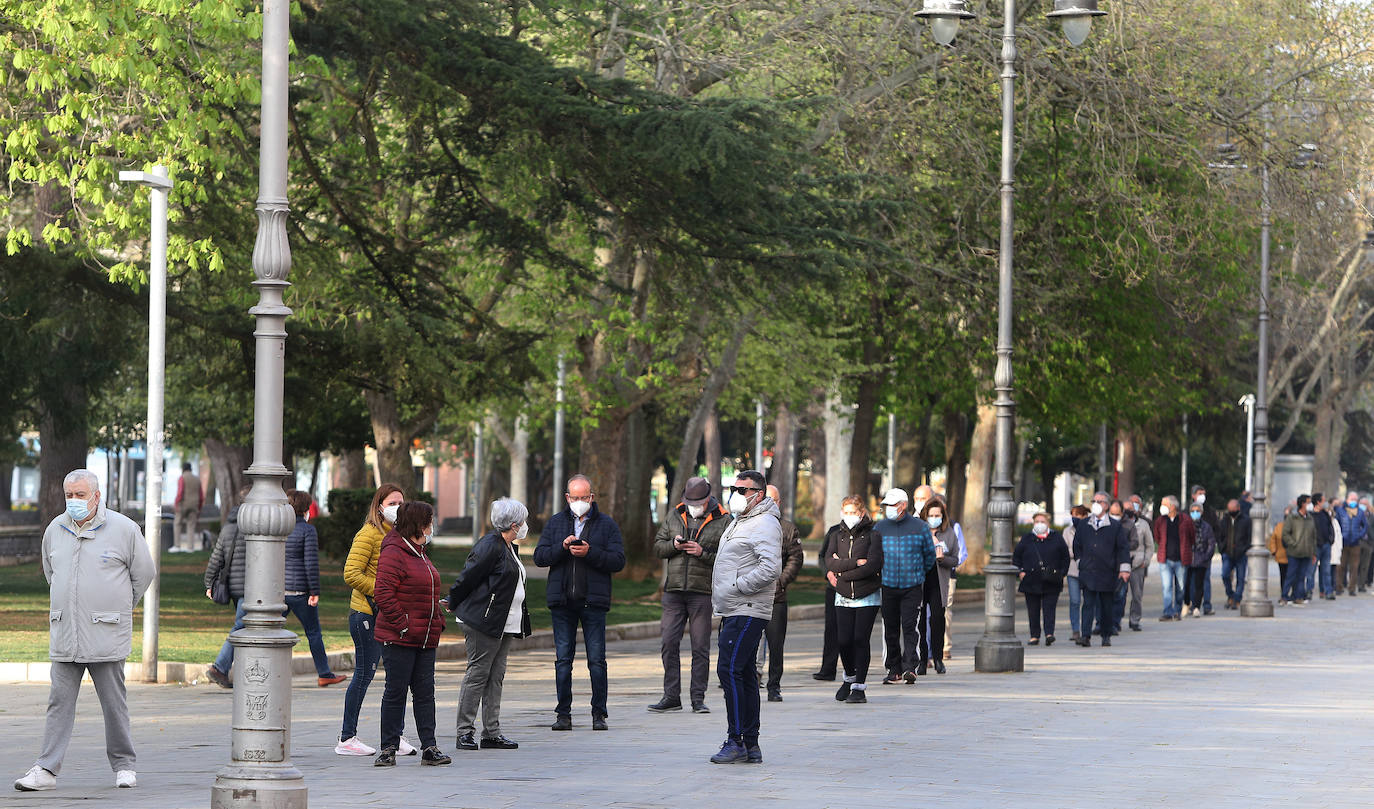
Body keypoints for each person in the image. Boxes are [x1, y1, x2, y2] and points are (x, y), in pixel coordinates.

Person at [14, 470, 155, 792]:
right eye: (69, 495)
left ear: (96, 495)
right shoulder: (55, 528)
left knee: (113, 702)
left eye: (80, 495)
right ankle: (46, 770)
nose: (74, 501)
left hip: (106, 631)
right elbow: (52, 573)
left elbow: (144, 573)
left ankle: (124, 765)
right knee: (58, 703)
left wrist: (119, 605)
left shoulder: (123, 529)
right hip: (65, 632)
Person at [534, 474, 627, 732]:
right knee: (563, 660)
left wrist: (590, 553)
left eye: (584, 497)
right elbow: (540, 557)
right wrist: (561, 548)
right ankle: (563, 714)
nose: (579, 502)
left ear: (592, 497)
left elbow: (618, 560)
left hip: (593, 601)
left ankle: (599, 713)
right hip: (562, 602)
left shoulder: (606, 525)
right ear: (567, 497)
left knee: (596, 660)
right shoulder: (555, 523)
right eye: (574, 498)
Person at [337, 484, 416, 757]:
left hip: (389, 614)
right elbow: (351, 573)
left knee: (398, 677)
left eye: (401, 503)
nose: (397, 508)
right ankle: (347, 737)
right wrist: (383, 588)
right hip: (366, 614)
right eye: (392, 502)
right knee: (364, 674)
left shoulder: (399, 536)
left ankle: (396, 735)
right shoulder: (368, 534)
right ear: (379, 506)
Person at [708, 470, 780, 764]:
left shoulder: (764, 523)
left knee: (730, 671)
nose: (736, 493)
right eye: (734, 488)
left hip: (747, 608)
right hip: (734, 608)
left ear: (758, 494)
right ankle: (750, 743)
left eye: (742, 489)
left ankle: (736, 739)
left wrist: (738, 587)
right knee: (744, 672)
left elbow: (770, 568)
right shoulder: (741, 521)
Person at [448, 498, 532, 751]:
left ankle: (491, 732)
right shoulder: (490, 545)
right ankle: (464, 731)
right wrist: (453, 599)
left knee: (495, 676)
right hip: (483, 621)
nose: (526, 526)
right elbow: (468, 576)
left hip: (503, 622)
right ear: (514, 524)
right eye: (524, 522)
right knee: (478, 674)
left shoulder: (508, 546)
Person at [372, 501, 450, 767]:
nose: (432, 525)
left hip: (426, 636)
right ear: (418, 524)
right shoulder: (395, 551)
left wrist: (437, 618)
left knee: (425, 692)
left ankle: (430, 747)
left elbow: (425, 590)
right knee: (396, 692)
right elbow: (382, 593)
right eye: (429, 520)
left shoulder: (419, 551)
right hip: (401, 637)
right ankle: (388, 748)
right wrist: (403, 624)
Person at [649, 476, 728, 714]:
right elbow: (658, 547)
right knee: (669, 643)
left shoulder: (723, 520)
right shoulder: (675, 515)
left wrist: (702, 552)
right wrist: (674, 545)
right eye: (690, 501)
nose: (694, 506)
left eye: (698, 502)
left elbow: (727, 558)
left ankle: (698, 698)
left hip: (701, 593)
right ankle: (671, 696)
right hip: (673, 591)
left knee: (700, 647)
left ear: (708, 500)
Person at [283, 489, 346, 687]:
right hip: (300, 591)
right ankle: (324, 673)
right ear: (306, 508)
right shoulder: (308, 530)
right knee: (313, 633)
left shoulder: (280, 528)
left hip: (279, 591)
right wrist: (315, 591)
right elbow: (310, 563)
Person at [873, 488, 936, 684]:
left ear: (903, 505)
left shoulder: (920, 527)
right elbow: (874, 555)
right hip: (888, 585)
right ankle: (894, 669)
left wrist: (917, 573)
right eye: (886, 506)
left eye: (892, 505)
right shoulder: (879, 528)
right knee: (890, 628)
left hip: (912, 586)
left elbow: (929, 556)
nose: (888, 509)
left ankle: (910, 667)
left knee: (910, 626)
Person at [825, 494, 883, 704]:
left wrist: (843, 573)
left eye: (853, 512)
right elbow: (829, 562)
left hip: (867, 594)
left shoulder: (873, 535)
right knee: (843, 640)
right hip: (842, 595)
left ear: (861, 513)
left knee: (860, 639)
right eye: (846, 512)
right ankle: (848, 677)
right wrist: (853, 563)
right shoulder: (835, 535)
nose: (849, 516)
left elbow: (872, 565)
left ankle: (859, 686)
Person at [202, 485, 251, 689]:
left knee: (244, 626)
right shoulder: (255, 526)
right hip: (251, 588)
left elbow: (216, 558)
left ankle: (237, 670)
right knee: (240, 627)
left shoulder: (229, 527)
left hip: (233, 586)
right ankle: (219, 668)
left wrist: (209, 583)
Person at [758, 484, 804, 702]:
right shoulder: (750, 525)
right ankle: (750, 679)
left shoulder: (787, 528)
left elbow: (795, 559)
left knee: (776, 644)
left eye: (773, 500)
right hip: (752, 595)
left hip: (776, 596)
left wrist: (781, 582)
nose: (769, 504)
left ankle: (774, 685)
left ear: (779, 503)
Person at [1073, 491, 1130, 646]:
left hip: (1107, 572)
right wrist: (1080, 562)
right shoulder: (1084, 524)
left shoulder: (1115, 526)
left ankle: (1106, 635)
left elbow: (1123, 548)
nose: (1096, 504)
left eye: (1100, 501)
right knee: (1088, 604)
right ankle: (1085, 636)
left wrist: (1124, 569)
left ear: (1106, 505)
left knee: (1106, 606)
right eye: (1094, 501)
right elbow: (1076, 545)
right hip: (1088, 571)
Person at [1013, 513, 1069, 645]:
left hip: (1051, 580)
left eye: (1042, 521)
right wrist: (1020, 572)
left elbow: (1065, 557)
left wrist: (1062, 573)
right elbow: (1016, 557)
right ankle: (1034, 635)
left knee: (1049, 608)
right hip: (1031, 580)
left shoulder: (1056, 538)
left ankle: (1049, 633)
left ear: (1048, 523)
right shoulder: (1027, 538)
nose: (1039, 524)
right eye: (1037, 521)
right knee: (1033, 609)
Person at [918, 498, 957, 674]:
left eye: (937, 515)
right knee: (920, 622)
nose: (934, 518)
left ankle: (938, 659)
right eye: (931, 515)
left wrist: (942, 559)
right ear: (925, 516)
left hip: (939, 582)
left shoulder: (948, 533)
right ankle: (922, 659)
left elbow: (955, 558)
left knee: (937, 620)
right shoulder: (919, 531)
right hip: (920, 580)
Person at [1153, 496, 1194, 621]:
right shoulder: (1160, 520)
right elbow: (1157, 537)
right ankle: (1167, 612)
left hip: (1181, 559)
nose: (1162, 507)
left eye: (1165, 504)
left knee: (1180, 587)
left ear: (1172, 506)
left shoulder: (1185, 520)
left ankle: (1177, 611)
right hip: (1165, 559)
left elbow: (1192, 536)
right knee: (1167, 587)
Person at [1119, 496, 1154, 631]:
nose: (1129, 511)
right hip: (1121, 563)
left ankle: (1135, 620)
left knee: (1137, 595)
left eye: (1131, 508)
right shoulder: (1119, 524)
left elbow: (1150, 545)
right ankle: (1116, 621)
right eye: (1126, 508)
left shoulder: (1143, 525)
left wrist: (1146, 561)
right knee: (1120, 594)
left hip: (1138, 564)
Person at [1281, 494, 1317, 606]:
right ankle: (1284, 596)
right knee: (1290, 575)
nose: (1310, 505)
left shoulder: (1310, 518)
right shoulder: (1293, 518)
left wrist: (1313, 552)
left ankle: (1298, 596)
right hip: (1294, 552)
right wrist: (1293, 544)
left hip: (1306, 552)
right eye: (1308, 502)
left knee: (1302, 576)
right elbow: (1285, 533)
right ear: (1302, 504)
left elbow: (1313, 536)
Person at [1184, 501, 1216, 618]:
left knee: (1199, 584)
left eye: (1197, 511)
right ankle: (1187, 603)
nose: (1195, 513)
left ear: (1201, 512)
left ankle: (1197, 606)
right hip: (1187, 559)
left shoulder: (1206, 527)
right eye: (1193, 511)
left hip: (1201, 560)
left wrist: (1205, 557)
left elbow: (1211, 544)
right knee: (1186, 584)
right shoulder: (1186, 525)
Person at [1217, 498, 1252, 609]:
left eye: (1233, 509)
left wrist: (1244, 548)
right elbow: (1220, 535)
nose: (1231, 511)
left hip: (1241, 554)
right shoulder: (1224, 520)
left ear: (1238, 508)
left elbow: (1249, 537)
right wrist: (1222, 548)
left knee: (1241, 578)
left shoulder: (1246, 520)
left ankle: (1237, 599)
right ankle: (1230, 595)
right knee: (1225, 575)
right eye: (1229, 509)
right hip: (1227, 553)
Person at [1062, 504, 1090, 640]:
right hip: (1072, 570)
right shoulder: (1067, 532)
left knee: (1089, 601)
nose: (1075, 518)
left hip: (1089, 570)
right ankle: (1075, 629)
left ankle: (1087, 628)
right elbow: (1064, 550)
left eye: (1078, 515)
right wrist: (1078, 552)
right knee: (1074, 601)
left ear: (1085, 516)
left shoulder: (1091, 529)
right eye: (1073, 515)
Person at [1190, 486, 1219, 614]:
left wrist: (1208, 553)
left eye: (1204, 493)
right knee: (1190, 582)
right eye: (1200, 493)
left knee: (1205, 580)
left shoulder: (1209, 512)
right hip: (1190, 555)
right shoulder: (1187, 513)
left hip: (1204, 554)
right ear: (1193, 495)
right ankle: (1192, 604)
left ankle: (1206, 605)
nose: (1202, 496)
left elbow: (1215, 531)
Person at [1334, 491, 1366, 596]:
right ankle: (1339, 587)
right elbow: (1336, 524)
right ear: (1347, 499)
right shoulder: (1341, 511)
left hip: (1355, 543)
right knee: (1340, 566)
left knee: (1354, 567)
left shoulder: (1360, 512)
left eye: (1355, 499)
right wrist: (1340, 536)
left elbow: (1365, 526)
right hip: (1343, 542)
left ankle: (1352, 588)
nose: (1353, 501)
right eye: (1352, 499)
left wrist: (1359, 535)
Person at [173, 461, 204, 552]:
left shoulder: (182, 478)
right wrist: (199, 507)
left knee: (177, 523)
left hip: (183, 505)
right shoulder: (197, 479)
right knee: (191, 525)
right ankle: (190, 547)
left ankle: (177, 546)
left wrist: (176, 504)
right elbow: (201, 496)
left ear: (183, 469)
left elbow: (180, 493)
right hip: (194, 505)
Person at [1311, 493, 1334, 600]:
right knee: (1311, 570)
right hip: (1315, 546)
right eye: (1323, 501)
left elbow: (1330, 527)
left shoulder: (1325, 514)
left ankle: (1327, 591)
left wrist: (1330, 540)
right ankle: (1308, 591)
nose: (1325, 503)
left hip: (1326, 545)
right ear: (1318, 502)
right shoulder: (1311, 516)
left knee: (1326, 570)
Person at [1267, 506, 1290, 606]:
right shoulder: (1279, 526)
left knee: (1291, 576)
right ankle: (1284, 593)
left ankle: (1289, 593)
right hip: (1281, 556)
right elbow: (1273, 539)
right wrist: (1273, 550)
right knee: (1283, 576)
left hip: (1292, 556)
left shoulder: (1294, 527)